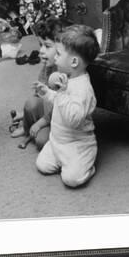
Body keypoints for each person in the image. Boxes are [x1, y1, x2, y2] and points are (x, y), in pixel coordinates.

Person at [35, 24, 101, 188]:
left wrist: (62, 93)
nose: (55, 58)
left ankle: (86, 161)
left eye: (58, 54)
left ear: (73, 61)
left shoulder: (84, 89)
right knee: (42, 165)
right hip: (58, 141)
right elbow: (59, 101)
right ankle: (62, 158)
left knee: (71, 179)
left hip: (77, 143)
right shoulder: (67, 78)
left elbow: (73, 119)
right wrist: (47, 93)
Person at [10, 16, 72, 150]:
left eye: (47, 46)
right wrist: (26, 115)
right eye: (41, 45)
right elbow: (38, 95)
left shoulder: (68, 74)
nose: (42, 51)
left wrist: (40, 123)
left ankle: (35, 127)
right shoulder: (48, 66)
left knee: (41, 141)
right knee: (31, 104)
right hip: (48, 111)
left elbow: (63, 109)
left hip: (61, 118)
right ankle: (26, 128)